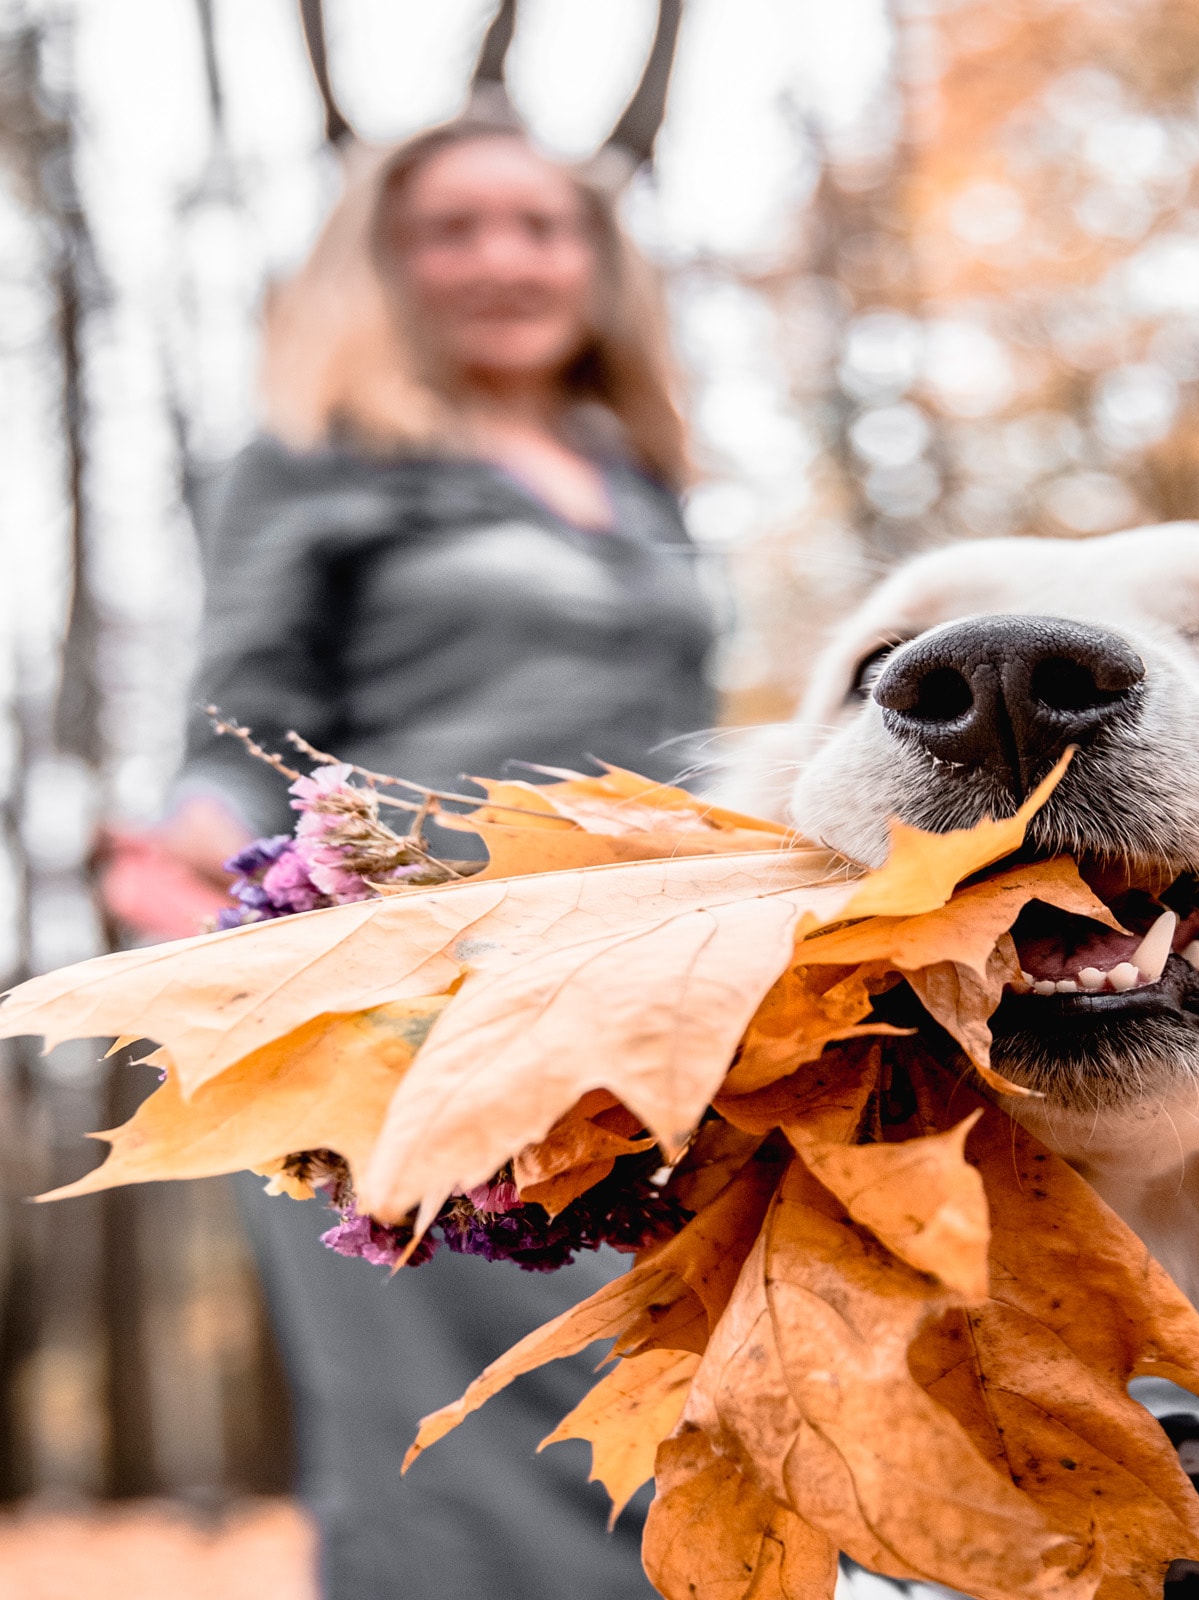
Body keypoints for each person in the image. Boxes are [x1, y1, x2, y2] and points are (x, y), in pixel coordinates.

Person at [129, 118, 715, 1599]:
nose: (503, 260)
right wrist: (194, 847)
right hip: (402, 982)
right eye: (451, 229)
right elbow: (233, 718)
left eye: (539, 225)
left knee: (653, 1392)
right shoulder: (314, 459)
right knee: (449, 1428)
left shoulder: (635, 478)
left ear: (592, 260)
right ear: (386, 268)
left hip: (635, 984)